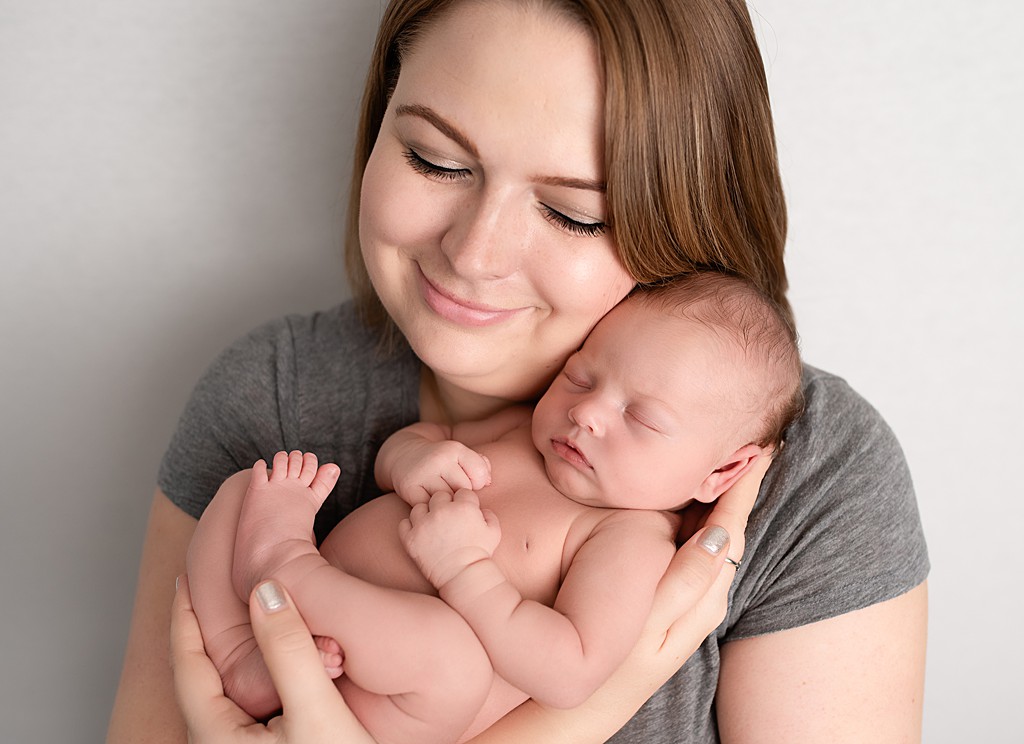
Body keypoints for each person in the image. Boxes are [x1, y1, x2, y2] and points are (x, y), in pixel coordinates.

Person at [108, 0, 930, 742]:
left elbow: (562, 658)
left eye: (573, 212)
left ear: (678, 220)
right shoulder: (275, 391)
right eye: (433, 160)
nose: (473, 254)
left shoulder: (815, 474)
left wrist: (588, 696)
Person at [187, 275, 803, 744]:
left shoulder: (627, 538)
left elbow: (572, 674)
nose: (585, 412)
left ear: (721, 472)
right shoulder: (523, 429)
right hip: (312, 631)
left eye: (640, 418)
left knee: (449, 654)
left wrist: (464, 572)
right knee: (251, 485)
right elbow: (417, 441)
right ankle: (241, 649)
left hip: (393, 702)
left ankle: (285, 564)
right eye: (581, 378)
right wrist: (412, 459)